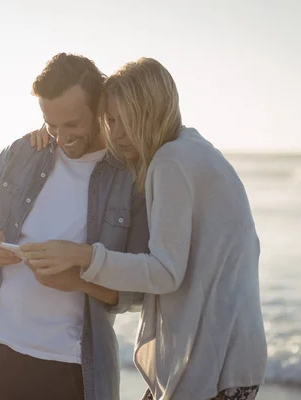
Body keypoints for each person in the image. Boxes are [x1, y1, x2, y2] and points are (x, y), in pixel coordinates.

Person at [23, 58, 267, 400]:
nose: (118, 133)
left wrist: (81, 256)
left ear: (153, 112)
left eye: (128, 120)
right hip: (233, 359)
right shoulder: (195, 151)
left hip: (211, 370)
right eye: (110, 120)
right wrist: (54, 136)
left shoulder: (171, 163)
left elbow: (165, 272)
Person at [0, 53, 149, 400]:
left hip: (63, 369)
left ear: (101, 108)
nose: (61, 138)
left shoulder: (130, 180)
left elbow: (140, 289)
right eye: (51, 124)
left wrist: (77, 281)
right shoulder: (21, 154)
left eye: (72, 124)